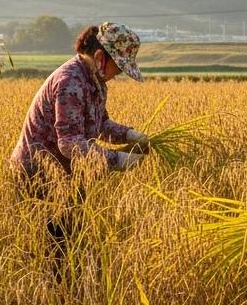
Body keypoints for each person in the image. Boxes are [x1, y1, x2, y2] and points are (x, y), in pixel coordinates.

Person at [8, 22, 149, 276]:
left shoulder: (94, 81)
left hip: (65, 174)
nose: (117, 75)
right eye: (118, 68)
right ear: (99, 57)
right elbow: (70, 143)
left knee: (71, 249)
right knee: (52, 256)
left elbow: (100, 124)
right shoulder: (69, 82)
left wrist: (129, 134)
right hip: (38, 177)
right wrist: (118, 160)